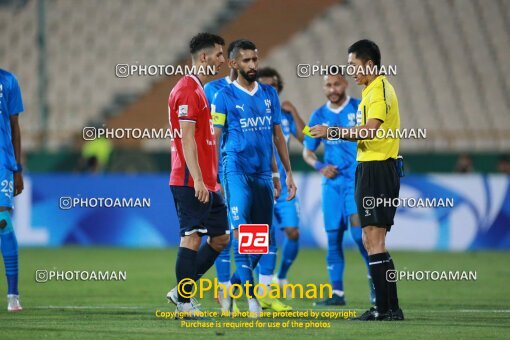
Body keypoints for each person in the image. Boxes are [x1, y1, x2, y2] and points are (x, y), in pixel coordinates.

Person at [310, 39, 404, 320]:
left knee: (374, 240)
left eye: (354, 65)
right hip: (370, 168)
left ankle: (384, 309)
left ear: (370, 64)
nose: (351, 71)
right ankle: (389, 308)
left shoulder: (379, 92)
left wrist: (332, 132)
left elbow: (369, 132)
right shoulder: (371, 91)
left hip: (378, 169)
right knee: (370, 239)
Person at [212, 40, 297, 317]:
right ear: (233, 64)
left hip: (262, 174)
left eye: (255, 60)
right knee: (241, 234)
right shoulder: (223, 96)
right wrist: (215, 176)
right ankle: (251, 300)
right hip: (234, 171)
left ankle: (234, 287)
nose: (252, 65)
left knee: (259, 241)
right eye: (246, 61)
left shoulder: (269, 94)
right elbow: (214, 139)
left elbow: (276, 137)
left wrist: (284, 173)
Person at [165, 33, 229, 318]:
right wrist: (200, 180)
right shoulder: (188, 90)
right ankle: (185, 303)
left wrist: (212, 180)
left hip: (206, 181)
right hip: (191, 180)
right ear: (204, 57)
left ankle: (181, 291)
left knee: (220, 239)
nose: (223, 60)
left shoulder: (200, 89)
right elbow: (187, 139)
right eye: (218, 54)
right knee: (191, 237)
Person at [303, 74, 375, 306]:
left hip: (356, 182)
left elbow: (372, 136)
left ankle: (376, 289)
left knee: (360, 236)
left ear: (345, 84)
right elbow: (307, 152)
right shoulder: (317, 115)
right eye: (328, 85)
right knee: (333, 238)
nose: (332, 89)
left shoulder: (359, 108)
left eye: (336, 84)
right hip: (332, 186)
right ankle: (337, 295)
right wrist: (321, 166)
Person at [256, 67, 304, 309]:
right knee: (257, 238)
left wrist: (294, 111)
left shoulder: (283, 116)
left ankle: (279, 277)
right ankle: (235, 286)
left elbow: (307, 140)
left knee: (293, 232)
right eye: (265, 84)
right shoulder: (252, 111)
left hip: (283, 183)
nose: (270, 88)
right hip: (259, 180)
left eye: (274, 84)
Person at [0, 69, 24, 312]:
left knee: (2, 221)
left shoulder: (8, 80)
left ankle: (13, 295)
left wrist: (17, 169)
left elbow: (15, 126)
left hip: (2, 160)